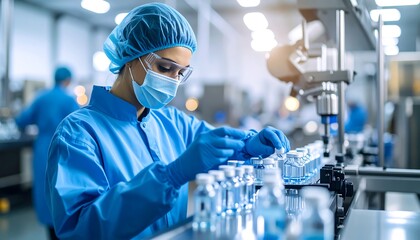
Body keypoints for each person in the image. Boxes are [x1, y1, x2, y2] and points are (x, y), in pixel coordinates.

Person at [45, 3, 290, 239]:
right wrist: (170, 176)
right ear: (130, 56)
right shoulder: (79, 133)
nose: (173, 81)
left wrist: (247, 146)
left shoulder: (172, 121)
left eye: (180, 73)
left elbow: (216, 147)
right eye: (164, 68)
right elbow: (81, 227)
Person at [15, 66, 79, 240]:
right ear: (67, 80)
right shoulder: (69, 100)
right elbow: (80, 128)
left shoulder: (41, 97)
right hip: (64, 151)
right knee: (62, 193)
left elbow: (21, 120)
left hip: (43, 150)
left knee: (45, 194)